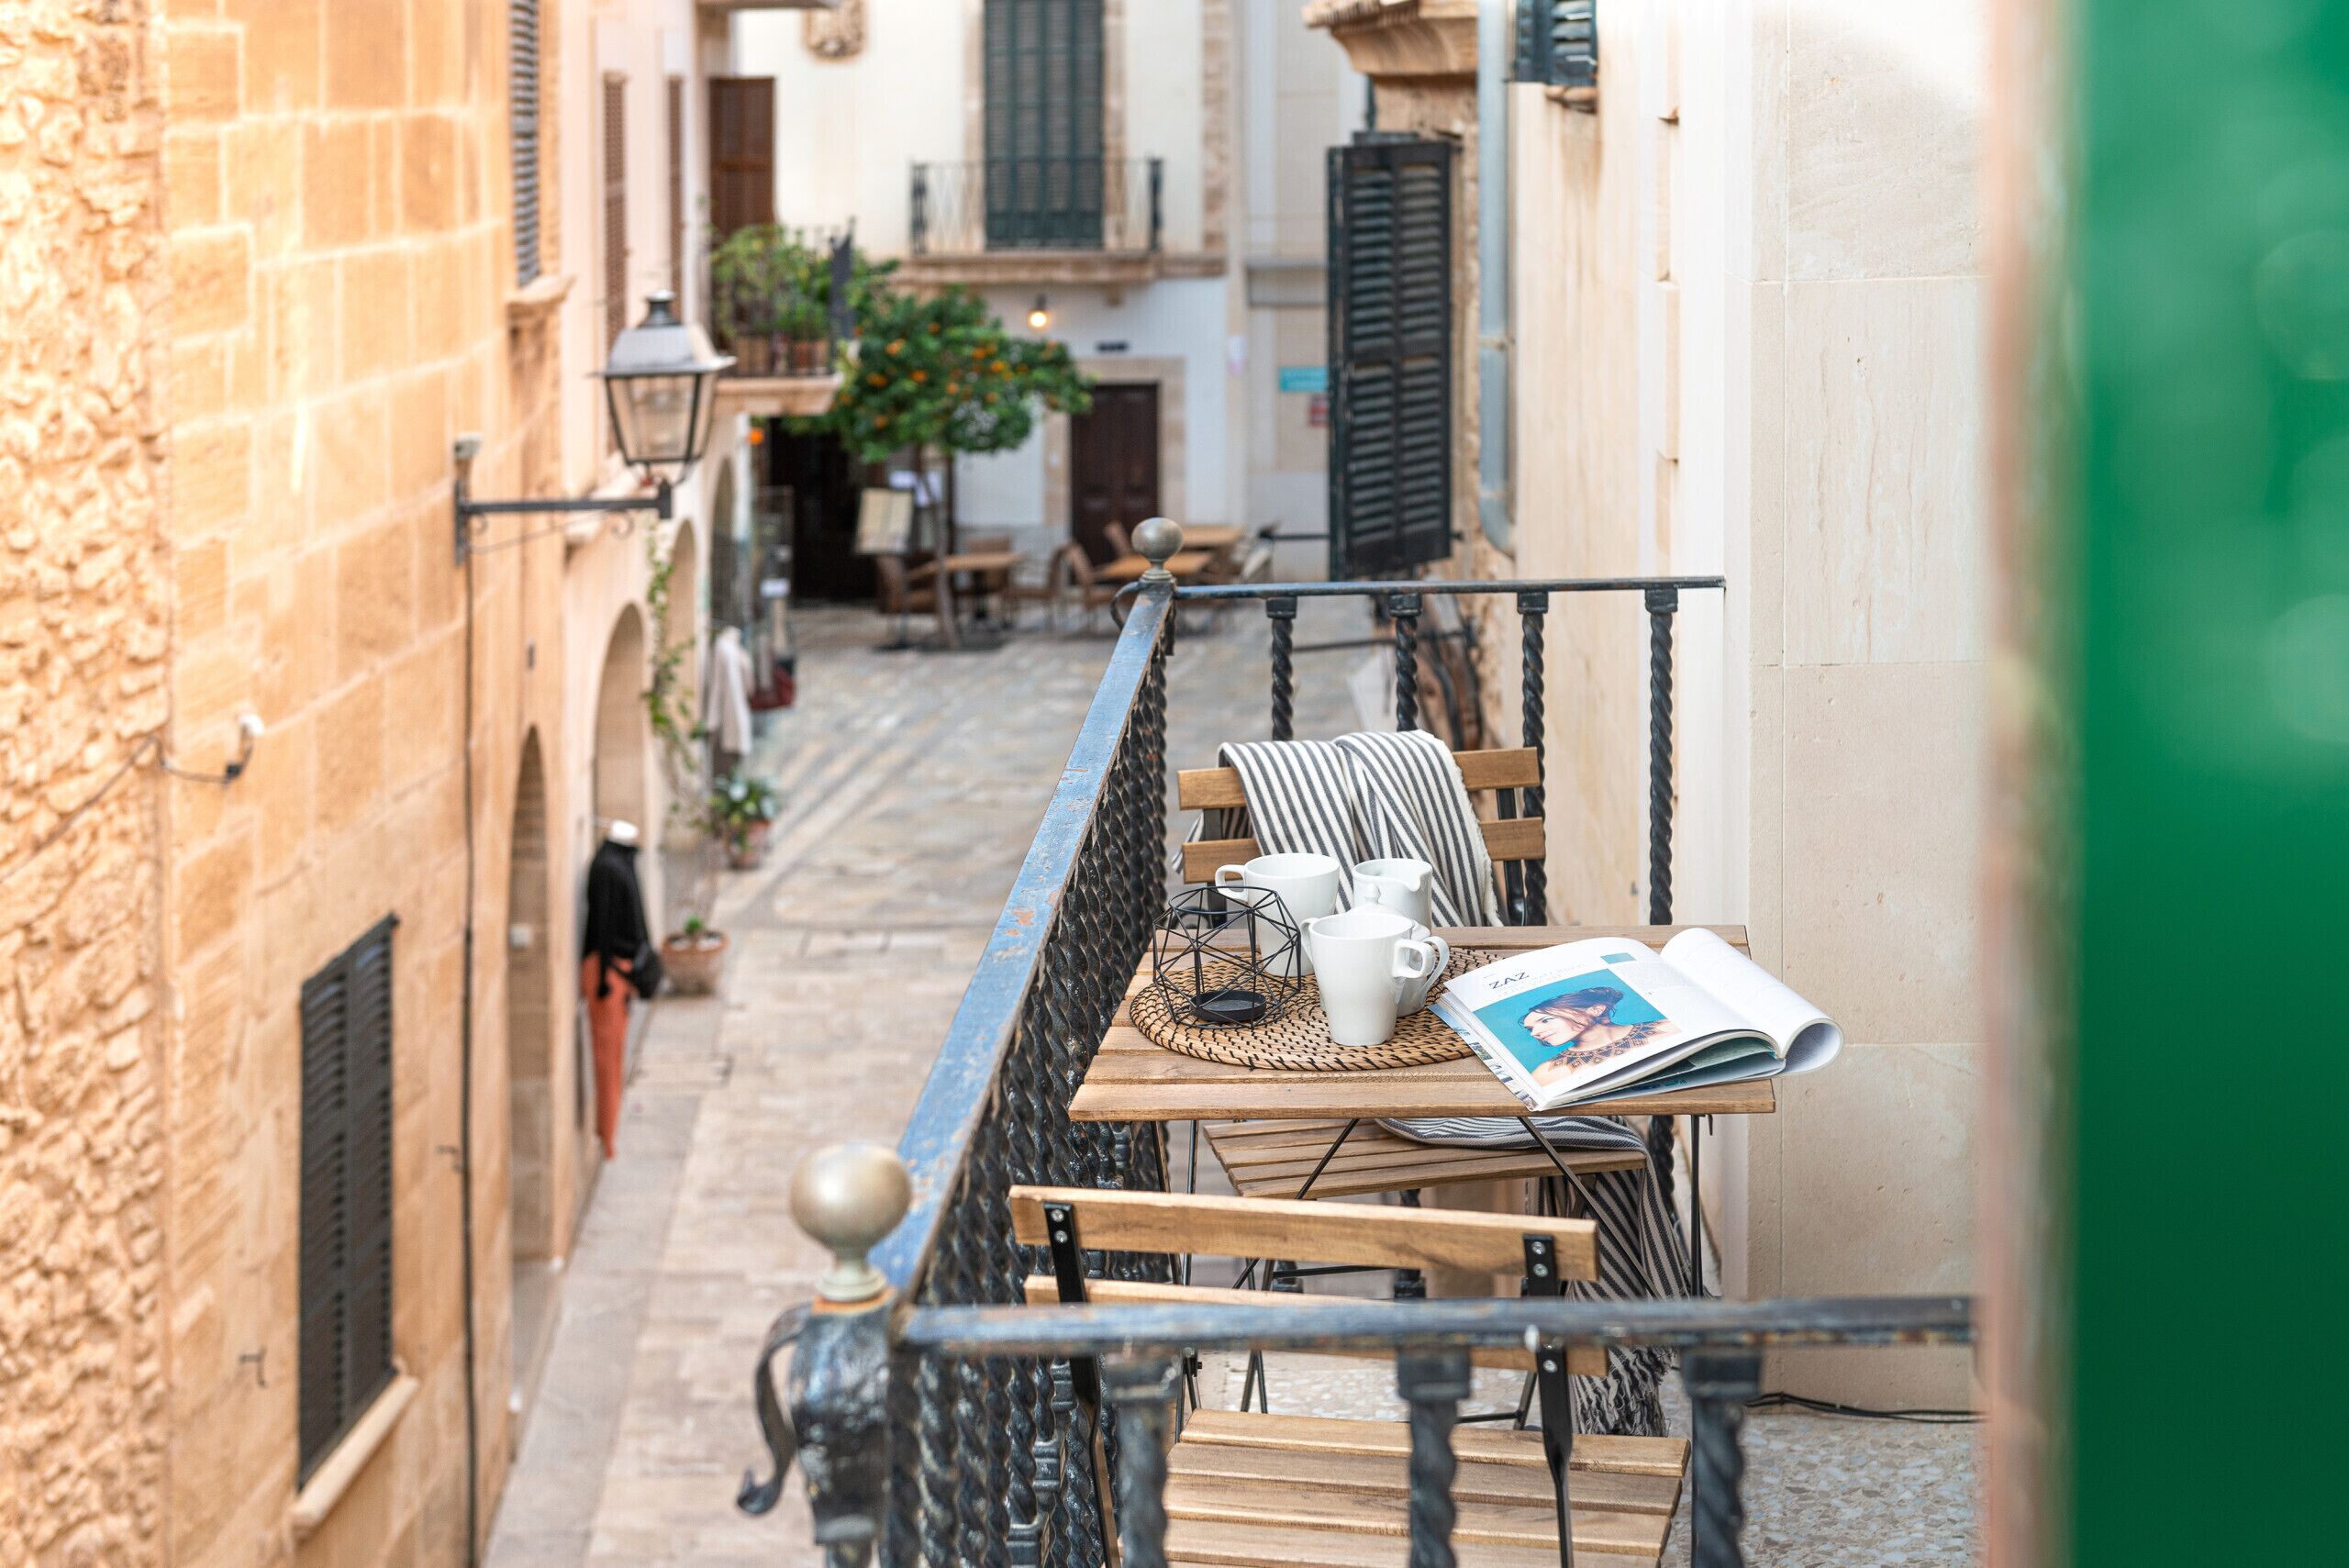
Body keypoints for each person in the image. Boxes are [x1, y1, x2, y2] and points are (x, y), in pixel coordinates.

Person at [1523, 984, 1675, 1087]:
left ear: (1596, 1010)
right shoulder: (1545, 1074)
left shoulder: (1670, 1028)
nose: (1534, 1033)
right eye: (1530, 1029)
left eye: (1545, 1020)